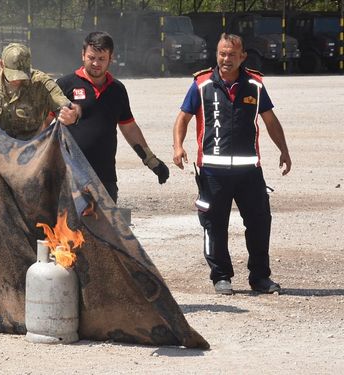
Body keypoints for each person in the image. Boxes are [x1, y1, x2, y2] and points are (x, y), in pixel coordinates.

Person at [172, 33, 292, 295]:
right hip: (213, 171)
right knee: (215, 225)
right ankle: (221, 277)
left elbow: (270, 120)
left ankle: (260, 277)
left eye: (232, 55)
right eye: (222, 53)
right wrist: (178, 146)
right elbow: (183, 118)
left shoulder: (255, 85)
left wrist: (283, 150)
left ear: (242, 57)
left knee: (260, 223)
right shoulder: (201, 84)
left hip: (249, 171)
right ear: (217, 54)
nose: (226, 59)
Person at [55, 31, 169, 203]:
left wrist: (150, 160)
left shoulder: (117, 90)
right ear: (83, 55)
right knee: (70, 229)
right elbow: (44, 123)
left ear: (111, 58)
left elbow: (129, 127)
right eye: (91, 57)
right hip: (70, 177)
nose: (95, 63)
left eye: (101, 59)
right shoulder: (65, 85)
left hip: (106, 178)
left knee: (106, 229)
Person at [0, 43, 80, 140]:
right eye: (13, 74)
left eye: (22, 74)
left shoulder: (42, 83)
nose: (17, 80)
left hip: (31, 147)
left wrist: (72, 114)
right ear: (1, 64)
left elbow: (66, 106)